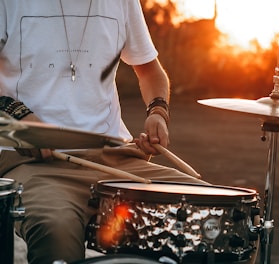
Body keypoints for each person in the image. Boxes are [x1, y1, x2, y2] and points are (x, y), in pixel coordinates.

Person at [0, 1, 208, 263]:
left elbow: (150, 70)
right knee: (56, 231)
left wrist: (158, 112)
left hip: (114, 158)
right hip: (35, 163)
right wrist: (18, 117)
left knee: (218, 213)